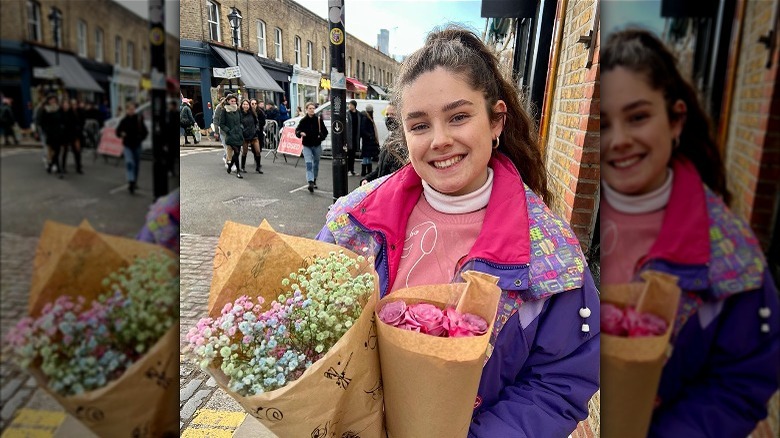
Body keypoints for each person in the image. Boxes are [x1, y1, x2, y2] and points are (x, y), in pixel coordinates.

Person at [316, 27, 599, 436]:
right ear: (404, 133)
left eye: (459, 117)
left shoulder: (552, 257)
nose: (440, 140)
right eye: (419, 125)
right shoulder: (352, 222)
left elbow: (559, 382)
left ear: (496, 119)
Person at [600, 29, 779, 437]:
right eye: (603, 123)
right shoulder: (562, 245)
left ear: (676, 119)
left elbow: (741, 380)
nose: (620, 140)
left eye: (638, 116)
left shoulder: (732, 255)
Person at [361, 104, 407, 185]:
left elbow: (397, 175)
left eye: (392, 114)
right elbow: (380, 169)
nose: (389, 117)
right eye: (387, 114)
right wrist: (367, 179)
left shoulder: (402, 142)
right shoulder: (390, 138)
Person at [115, 101, 148, 194]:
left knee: (136, 165)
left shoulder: (138, 119)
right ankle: (131, 181)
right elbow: (117, 132)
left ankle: (134, 181)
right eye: (130, 109)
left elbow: (145, 132)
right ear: (127, 110)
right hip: (127, 145)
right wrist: (121, 134)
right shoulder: (124, 120)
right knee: (129, 163)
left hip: (137, 145)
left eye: (133, 109)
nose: (131, 111)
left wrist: (140, 138)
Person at [295, 101, 328, 193]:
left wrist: (321, 137)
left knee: (316, 164)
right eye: (310, 108)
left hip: (317, 145)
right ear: (306, 110)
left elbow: (325, 132)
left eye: (313, 108)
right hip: (307, 145)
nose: (312, 110)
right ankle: (310, 182)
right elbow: (297, 130)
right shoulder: (303, 120)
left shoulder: (318, 120)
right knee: (309, 164)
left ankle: (314, 179)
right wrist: (300, 133)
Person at [38, 94, 66, 178]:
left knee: (57, 151)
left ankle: (50, 165)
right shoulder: (45, 110)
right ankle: (59, 170)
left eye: (54, 99)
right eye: (51, 100)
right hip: (50, 134)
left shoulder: (59, 109)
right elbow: (41, 122)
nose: (53, 101)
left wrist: (62, 128)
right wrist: (46, 131)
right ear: (48, 101)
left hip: (59, 133)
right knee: (55, 151)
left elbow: (63, 119)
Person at [219, 94, 244, 179]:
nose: (233, 102)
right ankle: (238, 171)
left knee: (237, 153)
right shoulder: (224, 111)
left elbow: (241, 121)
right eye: (231, 101)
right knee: (236, 152)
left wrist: (241, 127)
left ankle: (230, 166)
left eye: (234, 101)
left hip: (239, 135)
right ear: (228, 101)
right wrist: (228, 130)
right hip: (230, 135)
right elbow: (221, 124)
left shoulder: (238, 110)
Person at [60, 99, 84, 174]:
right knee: (65, 151)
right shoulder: (63, 113)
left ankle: (78, 167)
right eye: (72, 104)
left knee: (77, 151)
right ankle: (63, 168)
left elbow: (79, 122)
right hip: (65, 134)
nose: (74, 106)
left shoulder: (75, 112)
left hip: (74, 134)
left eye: (75, 104)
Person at [358, 104, 380, 176]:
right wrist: (370, 136)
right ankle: (366, 171)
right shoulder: (366, 118)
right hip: (368, 140)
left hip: (367, 140)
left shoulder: (366, 117)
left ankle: (366, 171)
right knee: (366, 156)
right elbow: (363, 129)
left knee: (367, 156)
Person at [345, 99, 361, 176]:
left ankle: (352, 170)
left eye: (351, 104)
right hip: (349, 137)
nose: (349, 106)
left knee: (353, 155)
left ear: (354, 106)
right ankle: (348, 170)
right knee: (349, 154)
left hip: (355, 137)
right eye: (349, 105)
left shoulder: (358, 114)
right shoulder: (347, 114)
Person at [250, 98, 266, 172]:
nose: (254, 105)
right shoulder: (249, 112)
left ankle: (258, 163)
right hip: (251, 133)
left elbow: (263, 122)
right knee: (254, 148)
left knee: (259, 148)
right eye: (252, 104)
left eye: (255, 104)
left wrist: (258, 124)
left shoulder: (260, 112)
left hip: (259, 132)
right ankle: (256, 162)